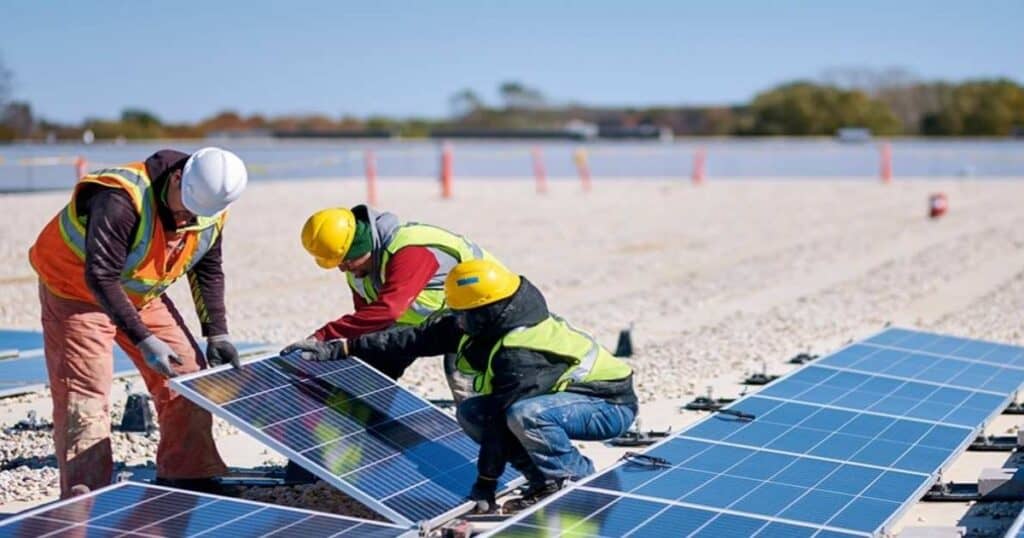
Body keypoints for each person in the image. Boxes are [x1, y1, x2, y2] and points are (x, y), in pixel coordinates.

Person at [283, 259, 638, 511]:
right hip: (564, 400)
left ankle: (574, 480)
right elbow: (412, 339)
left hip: (609, 405)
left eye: (462, 314)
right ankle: (541, 479)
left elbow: (502, 421)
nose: (457, 322)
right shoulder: (483, 319)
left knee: (524, 414)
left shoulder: (520, 351)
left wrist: (486, 482)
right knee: (471, 412)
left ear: (484, 310)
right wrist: (341, 347)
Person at [28, 147, 248, 497]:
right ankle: (86, 501)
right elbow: (100, 276)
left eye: (198, 212)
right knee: (86, 397)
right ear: (178, 177)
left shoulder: (210, 207)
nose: (188, 216)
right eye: (186, 205)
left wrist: (217, 333)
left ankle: (188, 476)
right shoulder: (120, 198)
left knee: (188, 374)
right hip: (76, 291)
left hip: (136, 293)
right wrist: (143, 338)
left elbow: (207, 268)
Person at [286, 205, 504, 400]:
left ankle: (492, 427)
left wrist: (324, 336)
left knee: (464, 378)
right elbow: (370, 321)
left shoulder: (410, 252)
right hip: (436, 318)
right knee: (375, 363)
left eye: (344, 261)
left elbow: (389, 309)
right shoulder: (358, 269)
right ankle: (370, 418)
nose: (341, 268)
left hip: (486, 310)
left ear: (361, 248)